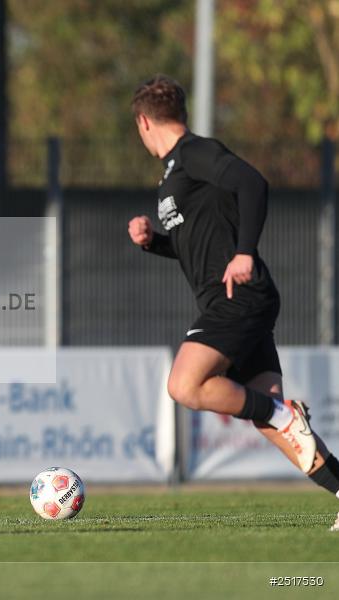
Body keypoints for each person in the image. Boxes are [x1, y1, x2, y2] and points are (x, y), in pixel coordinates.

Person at [128, 75, 339, 531]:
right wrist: (154, 242)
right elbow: (198, 245)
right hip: (231, 298)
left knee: (185, 386)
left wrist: (245, 251)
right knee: (271, 419)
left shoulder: (194, 153)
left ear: (144, 122)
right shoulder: (172, 173)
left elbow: (252, 182)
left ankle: (283, 412)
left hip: (239, 297)